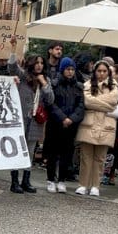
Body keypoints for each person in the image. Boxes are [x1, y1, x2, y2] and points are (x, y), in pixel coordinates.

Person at [74, 60, 118, 196]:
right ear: (94, 72)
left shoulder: (114, 86)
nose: (101, 73)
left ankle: (95, 185)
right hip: (89, 123)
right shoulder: (87, 85)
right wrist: (105, 103)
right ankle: (83, 184)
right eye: (99, 71)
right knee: (85, 156)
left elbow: (113, 102)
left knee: (100, 158)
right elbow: (88, 101)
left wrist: (97, 101)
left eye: (104, 71)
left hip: (106, 125)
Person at [6, 50, 46, 193]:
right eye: (36, 62)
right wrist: (14, 48)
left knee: (30, 152)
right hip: (21, 119)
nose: (39, 66)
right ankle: (14, 181)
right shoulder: (23, 76)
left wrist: (44, 84)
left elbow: (51, 99)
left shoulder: (44, 80)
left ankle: (26, 180)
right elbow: (12, 66)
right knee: (18, 150)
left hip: (35, 122)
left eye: (41, 63)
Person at [42, 56, 83, 193]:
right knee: (52, 153)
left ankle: (62, 180)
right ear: (62, 70)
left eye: (72, 69)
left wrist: (71, 119)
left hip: (71, 125)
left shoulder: (78, 87)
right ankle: (50, 179)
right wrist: (62, 118)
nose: (70, 72)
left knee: (67, 153)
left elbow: (81, 106)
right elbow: (50, 104)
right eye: (67, 69)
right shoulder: (54, 84)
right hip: (55, 124)